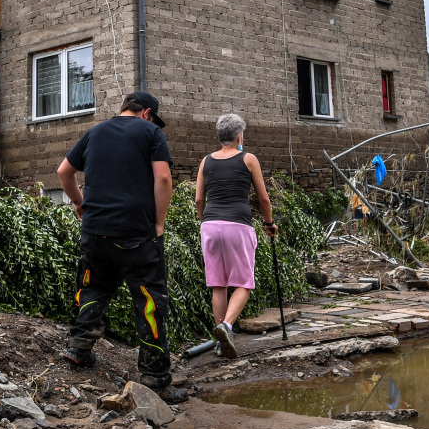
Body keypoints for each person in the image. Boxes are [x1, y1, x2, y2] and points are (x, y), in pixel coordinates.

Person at [56, 91, 187, 403]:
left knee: (93, 288)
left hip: (95, 231)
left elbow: (64, 172)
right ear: (147, 114)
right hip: (136, 235)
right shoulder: (151, 132)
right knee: (150, 302)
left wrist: (79, 202)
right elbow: (164, 179)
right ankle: (155, 378)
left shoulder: (94, 132)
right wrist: (159, 223)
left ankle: (79, 349)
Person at [194, 114, 276, 359]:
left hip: (209, 225)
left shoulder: (205, 161)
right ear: (239, 136)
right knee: (243, 283)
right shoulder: (248, 159)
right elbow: (263, 199)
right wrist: (269, 223)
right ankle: (226, 326)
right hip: (237, 225)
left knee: (218, 284)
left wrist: (205, 222)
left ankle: (220, 342)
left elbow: (199, 199)